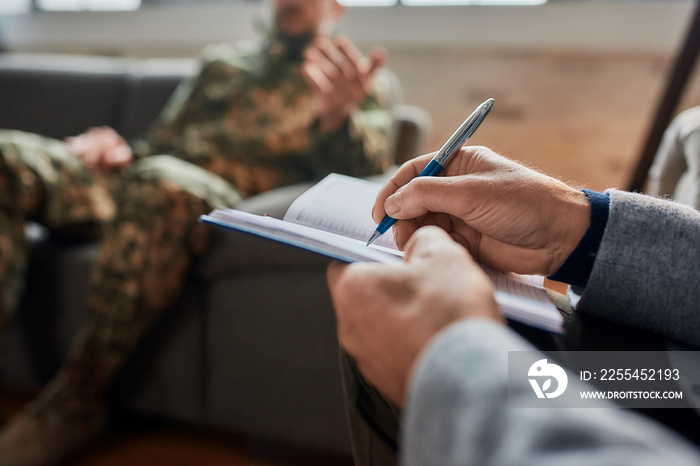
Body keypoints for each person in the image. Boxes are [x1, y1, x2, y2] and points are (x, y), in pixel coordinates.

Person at [0, 0, 394, 464]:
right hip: (141, 176)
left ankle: (75, 402)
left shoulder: (356, 83)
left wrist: (337, 119)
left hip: (215, 196)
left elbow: (364, 182)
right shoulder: (221, 64)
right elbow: (159, 142)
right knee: (7, 156)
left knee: (160, 183)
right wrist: (115, 147)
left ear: (335, 7)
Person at [327, 146, 700, 465]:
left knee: (402, 338)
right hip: (666, 381)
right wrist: (578, 229)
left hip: (672, 399)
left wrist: (453, 371)